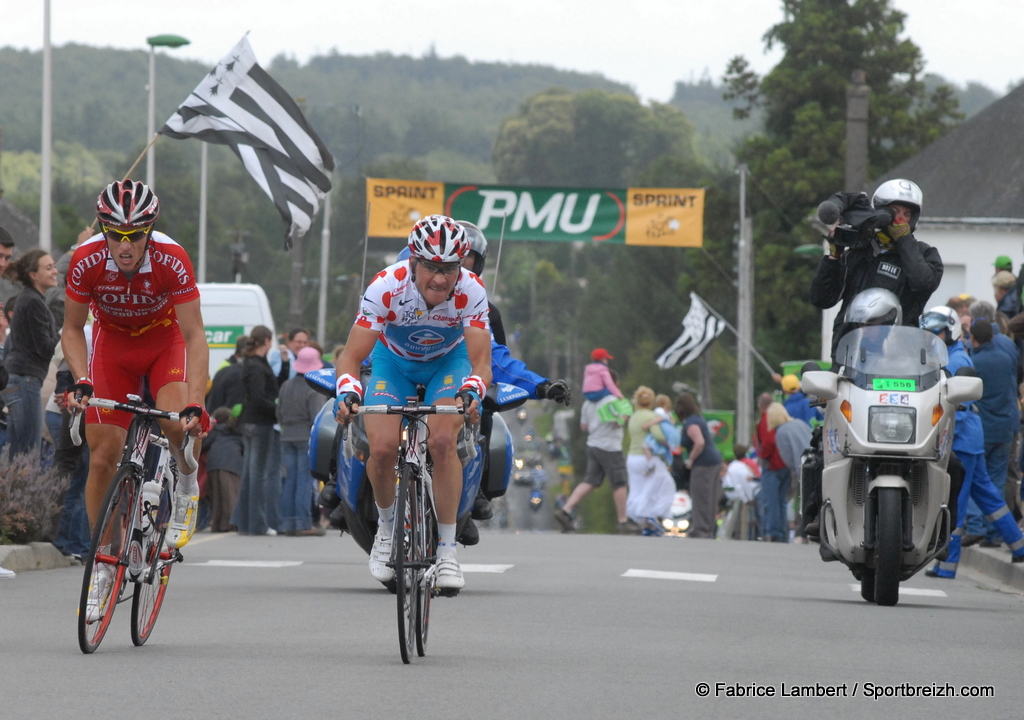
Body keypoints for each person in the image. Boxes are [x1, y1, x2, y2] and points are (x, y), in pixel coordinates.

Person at [63, 179, 209, 619]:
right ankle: (103, 564)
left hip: (164, 343)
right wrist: (82, 378)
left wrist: (196, 402)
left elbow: (195, 334)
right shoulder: (86, 260)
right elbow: (72, 329)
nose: (124, 246)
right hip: (112, 347)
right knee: (102, 456)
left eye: (135, 236)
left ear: (150, 231)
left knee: (174, 423)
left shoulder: (172, 258)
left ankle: (185, 483)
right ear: (103, 230)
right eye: (115, 235)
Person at [333, 214, 491, 591]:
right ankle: (386, 531)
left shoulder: (471, 290)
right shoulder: (387, 286)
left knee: (441, 442)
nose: (440, 278)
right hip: (394, 364)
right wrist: (348, 390)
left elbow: (482, 363)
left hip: (448, 365)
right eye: (432, 268)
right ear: (414, 263)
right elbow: (351, 358)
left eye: (449, 269)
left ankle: (447, 551)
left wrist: (472, 389)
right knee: (383, 448)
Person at [918, 308, 1024, 577]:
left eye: (938, 332)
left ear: (950, 331)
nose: (934, 337)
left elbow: (958, 408)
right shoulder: (949, 357)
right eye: (930, 332)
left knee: (955, 501)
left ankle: (948, 564)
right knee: (988, 498)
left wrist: (943, 440)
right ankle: (1019, 546)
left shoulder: (955, 362)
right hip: (968, 440)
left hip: (962, 441)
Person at [811, 178, 943, 359]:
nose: (900, 219)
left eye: (907, 214)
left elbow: (923, 283)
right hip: (850, 355)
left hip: (898, 358)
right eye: (895, 211)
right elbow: (822, 299)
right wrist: (834, 258)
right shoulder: (858, 252)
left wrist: (904, 241)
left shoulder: (925, 254)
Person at [553, 370, 640, 535]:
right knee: (619, 483)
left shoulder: (588, 403)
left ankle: (566, 510)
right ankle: (623, 521)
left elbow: (584, 427)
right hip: (610, 446)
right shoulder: (614, 401)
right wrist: (624, 418)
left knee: (591, 481)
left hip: (593, 445)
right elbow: (617, 423)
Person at [963, 318, 1019, 546]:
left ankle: (976, 527)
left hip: (983, 431)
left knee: (978, 482)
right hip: (1006, 427)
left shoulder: (974, 363)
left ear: (973, 339)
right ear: (993, 336)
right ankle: (995, 534)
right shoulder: (1007, 358)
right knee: (996, 481)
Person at [2, 249, 59, 459]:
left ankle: (11, 492)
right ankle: (19, 492)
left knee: (16, 451)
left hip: (17, 378)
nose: (55, 272)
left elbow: (11, 345)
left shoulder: (26, 300)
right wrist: (63, 333)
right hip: (26, 380)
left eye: (54, 266)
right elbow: (44, 348)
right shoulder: (33, 302)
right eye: (49, 267)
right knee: (27, 452)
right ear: (33, 275)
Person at [231, 326, 285, 536]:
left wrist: (286, 364)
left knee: (250, 474)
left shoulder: (253, 363)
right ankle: (258, 524)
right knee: (258, 475)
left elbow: (268, 389)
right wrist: (277, 407)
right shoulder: (256, 366)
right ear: (267, 341)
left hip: (250, 422)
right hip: (259, 423)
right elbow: (259, 397)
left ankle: (245, 523)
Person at [277, 346, 327, 536]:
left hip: (286, 436)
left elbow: (279, 413)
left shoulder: (286, 385)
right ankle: (303, 523)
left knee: (289, 480)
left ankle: (287, 523)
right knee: (305, 481)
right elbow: (317, 417)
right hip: (306, 437)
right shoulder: (314, 389)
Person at [676, 392, 724, 539]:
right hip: (714, 461)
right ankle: (708, 529)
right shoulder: (698, 419)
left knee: (700, 495)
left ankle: (700, 528)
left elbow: (699, 442)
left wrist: (691, 459)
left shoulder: (691, 423)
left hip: (703, 463)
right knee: (710, 496)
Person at [769, 402, 813, 543]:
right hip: (817, 463)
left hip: (801, 468)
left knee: (801, 502)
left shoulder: (781, 432)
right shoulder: (799, 423)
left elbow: (787, 457)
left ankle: (802, 533)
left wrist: (794, 474)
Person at [203, 406, 243, 533]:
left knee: (217, 497)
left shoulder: (215, 432)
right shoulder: (236, 431)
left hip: (214, 463)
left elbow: (203, 446)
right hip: (232, 463)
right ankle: (232, 523)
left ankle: (218, 524)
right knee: (231, 494)